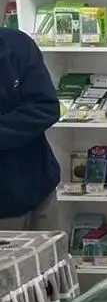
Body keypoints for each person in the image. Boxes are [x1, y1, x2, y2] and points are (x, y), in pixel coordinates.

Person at [0, 27, 60, 228]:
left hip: (40, 188)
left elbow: (46, 107)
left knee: (51, 247)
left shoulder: (16, 44)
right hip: (4, 207)